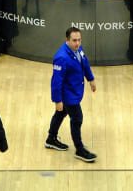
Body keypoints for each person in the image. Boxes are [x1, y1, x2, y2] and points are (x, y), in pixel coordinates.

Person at [46, 26, 97, 163]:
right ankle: (79, 149)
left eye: (79, 40)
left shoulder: (78, 49)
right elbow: (56, 82)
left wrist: (91, 79)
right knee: (77, 118)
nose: (77, 43)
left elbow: (84, 64)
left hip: (74, 91)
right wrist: (57, 101)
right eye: (74, 40)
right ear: (67, 40)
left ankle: (51, 138)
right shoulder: (61, 58)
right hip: (68, 95)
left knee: (61, 113)